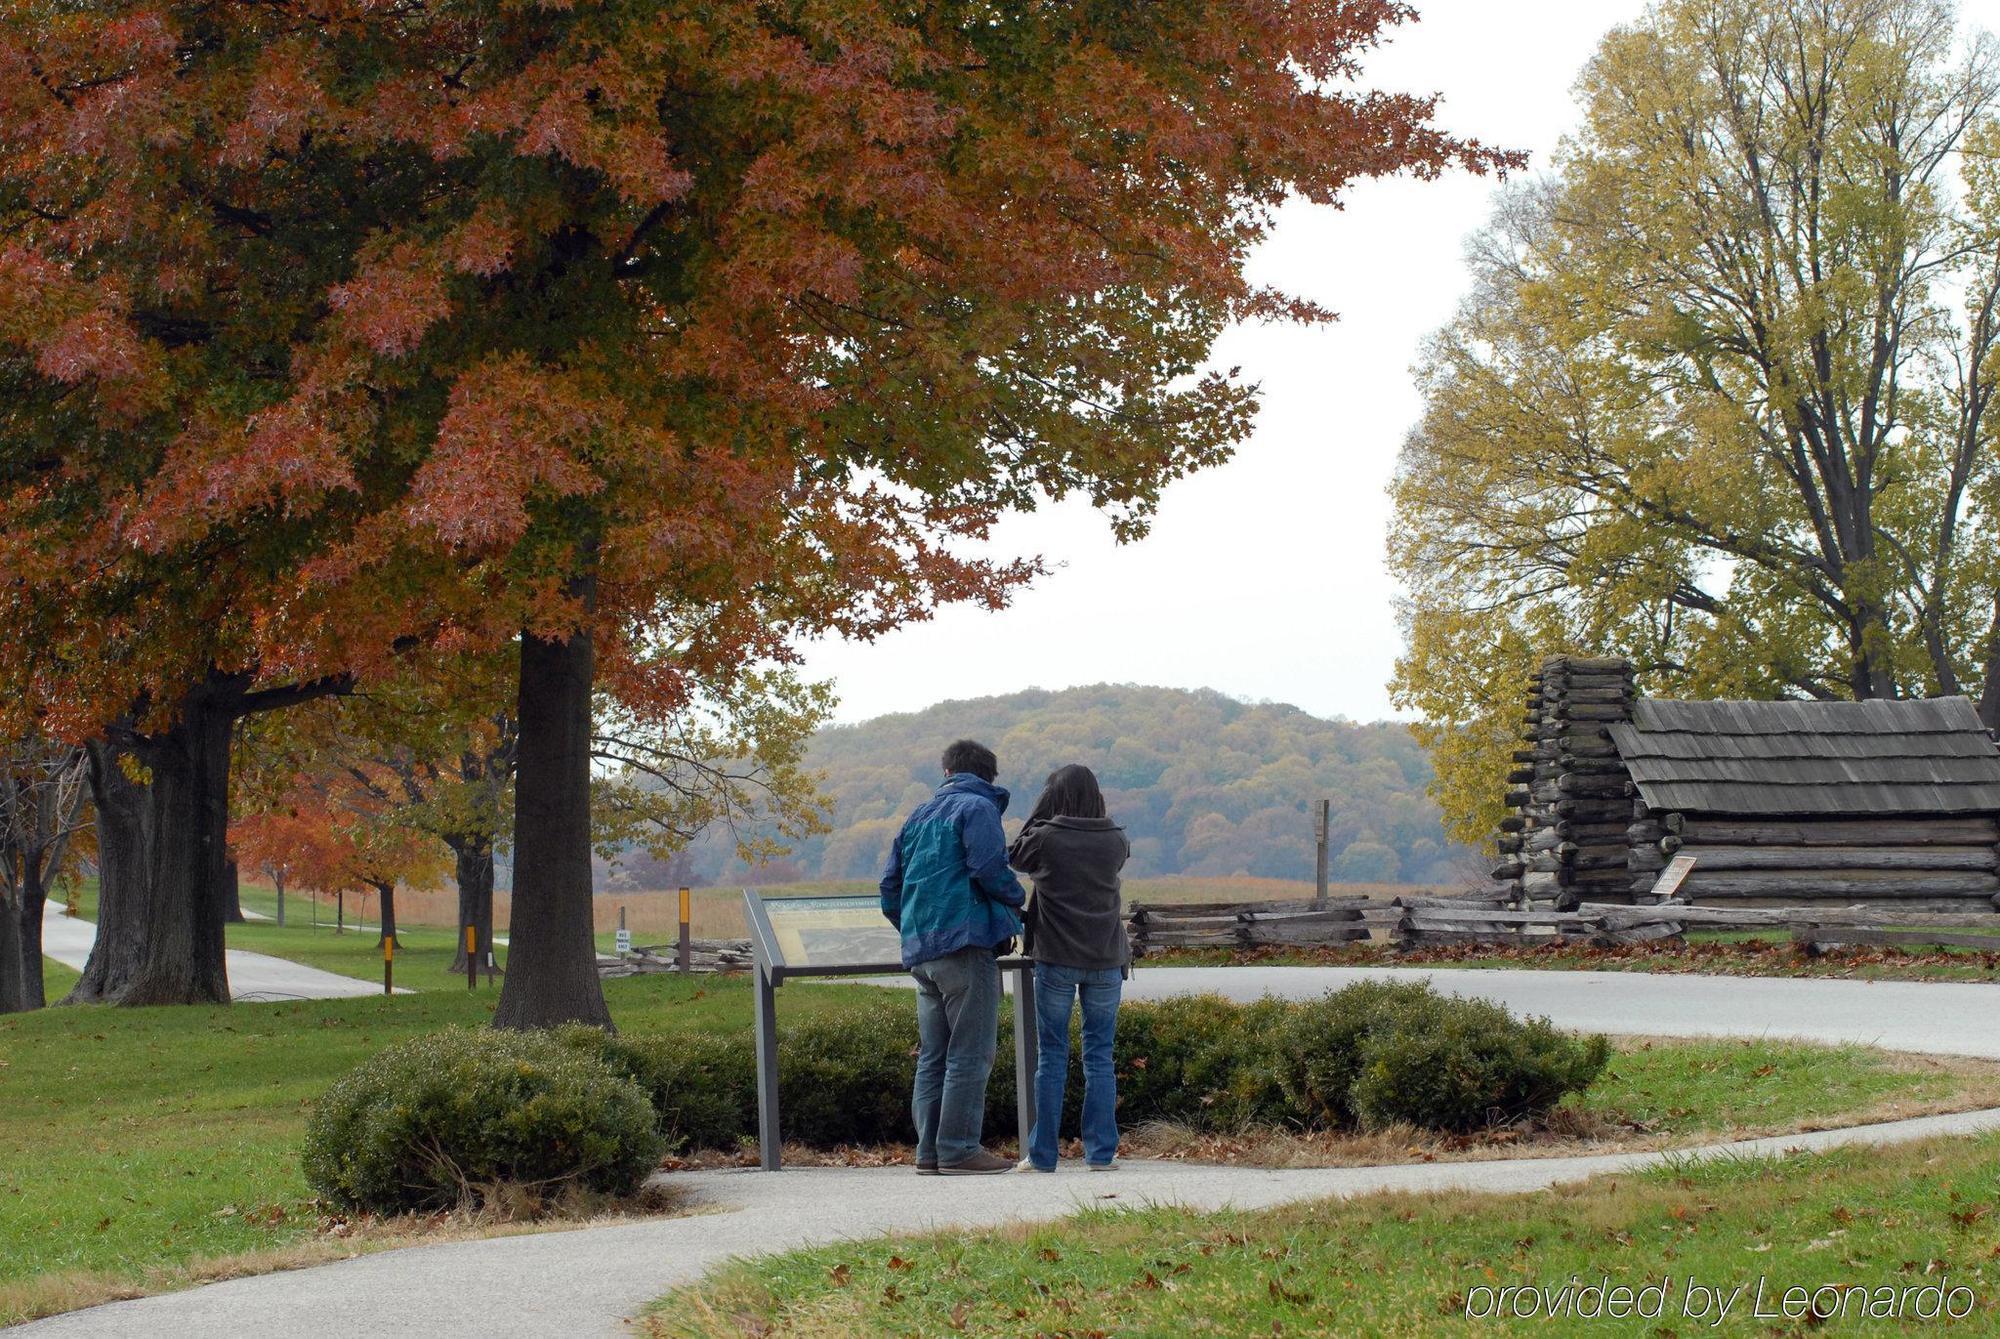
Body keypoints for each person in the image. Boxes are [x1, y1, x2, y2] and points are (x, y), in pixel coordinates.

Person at [879, 739, 1026, 1176]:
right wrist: (1018, 900)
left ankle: (929, 1152)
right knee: (970, 1052)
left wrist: (912, 928)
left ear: (946, 772)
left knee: (933, 1055)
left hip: (922, 952)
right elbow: (988, 869)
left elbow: (890, 887)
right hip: (965, 946)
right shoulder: (978, 809)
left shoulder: (916, 817)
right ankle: (960, 1149)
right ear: (988, 777)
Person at [1007, 763, 1130, 1172]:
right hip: (1107, 958)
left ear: (1053, 797)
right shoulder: (1116, 840)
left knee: (1052, 1056)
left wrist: (1041, 811)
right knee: (1100, 1056)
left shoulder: (1045, 838)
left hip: (1057, 957)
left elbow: (1014, 855)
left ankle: (1043, 1156)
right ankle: (1101, 1154)